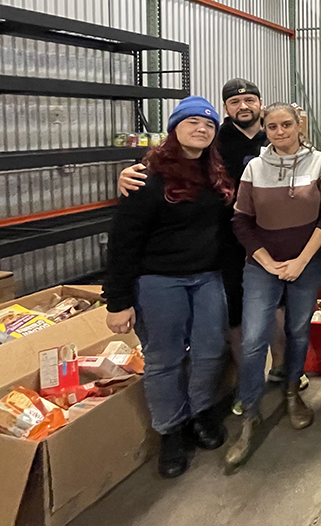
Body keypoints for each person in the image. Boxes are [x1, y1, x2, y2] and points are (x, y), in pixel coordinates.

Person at [117, 79, 308, 414]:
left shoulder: (275, 136)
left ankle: (280, 370)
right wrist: (129, 174)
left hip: (275, 240)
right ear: (227, 109)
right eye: (235, 102)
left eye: (250, 100)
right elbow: (167, 166)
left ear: (261, 104)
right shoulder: (215, 143)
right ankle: (243, 380)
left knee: (278, 310)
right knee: (233, 316)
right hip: (226, 248)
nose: (243, 107)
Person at [104, 96, 233, 478]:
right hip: (159, 282)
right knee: (164, 359)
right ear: (174, 128)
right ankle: (170, 431)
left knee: (210, 350)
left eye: (208, 124)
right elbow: (123, 241)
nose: (201, 129)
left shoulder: (216, 174)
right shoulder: (147, 177)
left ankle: (199, 413)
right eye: (192, 122)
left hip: (207, 278)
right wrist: (118, 300)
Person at [225, 103, 321, 467]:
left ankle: (292, 391)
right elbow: (241, 221)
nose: (279, 131)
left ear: (298, 125)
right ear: (265, 129)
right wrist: (268, 261)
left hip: (308, 262)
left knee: (297, 329)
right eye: (271, 126)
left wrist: (301, 261)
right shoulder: (254, 168)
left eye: (286, 124)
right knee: (255, 336)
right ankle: (250, 411)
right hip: (262, 265)